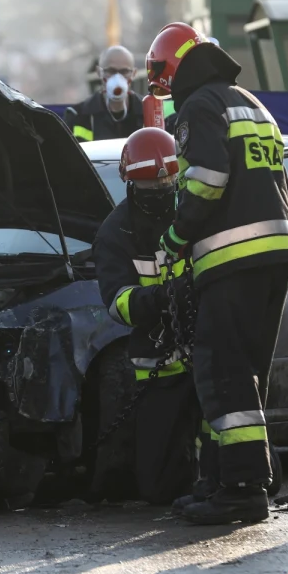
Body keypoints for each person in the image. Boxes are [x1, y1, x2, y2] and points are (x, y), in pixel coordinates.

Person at [147, 22, 288, 525]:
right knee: (242, 375)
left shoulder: (200, 107)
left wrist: (174, 237)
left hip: (233, 260)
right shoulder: (251, 103)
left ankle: (241, 492)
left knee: (222, 371)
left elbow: (209, 179)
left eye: (162, 79)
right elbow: (287, 197)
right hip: (276, 257)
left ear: (174, 69)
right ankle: (219, 482)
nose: (165, 93)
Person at [92, 128, 200, 505]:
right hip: (158, 367)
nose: (163, 189)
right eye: (151, 185)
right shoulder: (114, 232)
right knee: (157, 487)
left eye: (170, 181)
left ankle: (230, 483)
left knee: (230, 435)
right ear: (130, 183)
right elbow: (117, 302)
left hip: (206, 352)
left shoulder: (193, 210)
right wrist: (162, 297)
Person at [65, 46, 145, 142]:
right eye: (111, 71)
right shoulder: (78, 116)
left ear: (133, 74)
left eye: (124, 71)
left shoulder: (149, 112)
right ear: (99, 73)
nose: (117, 78)